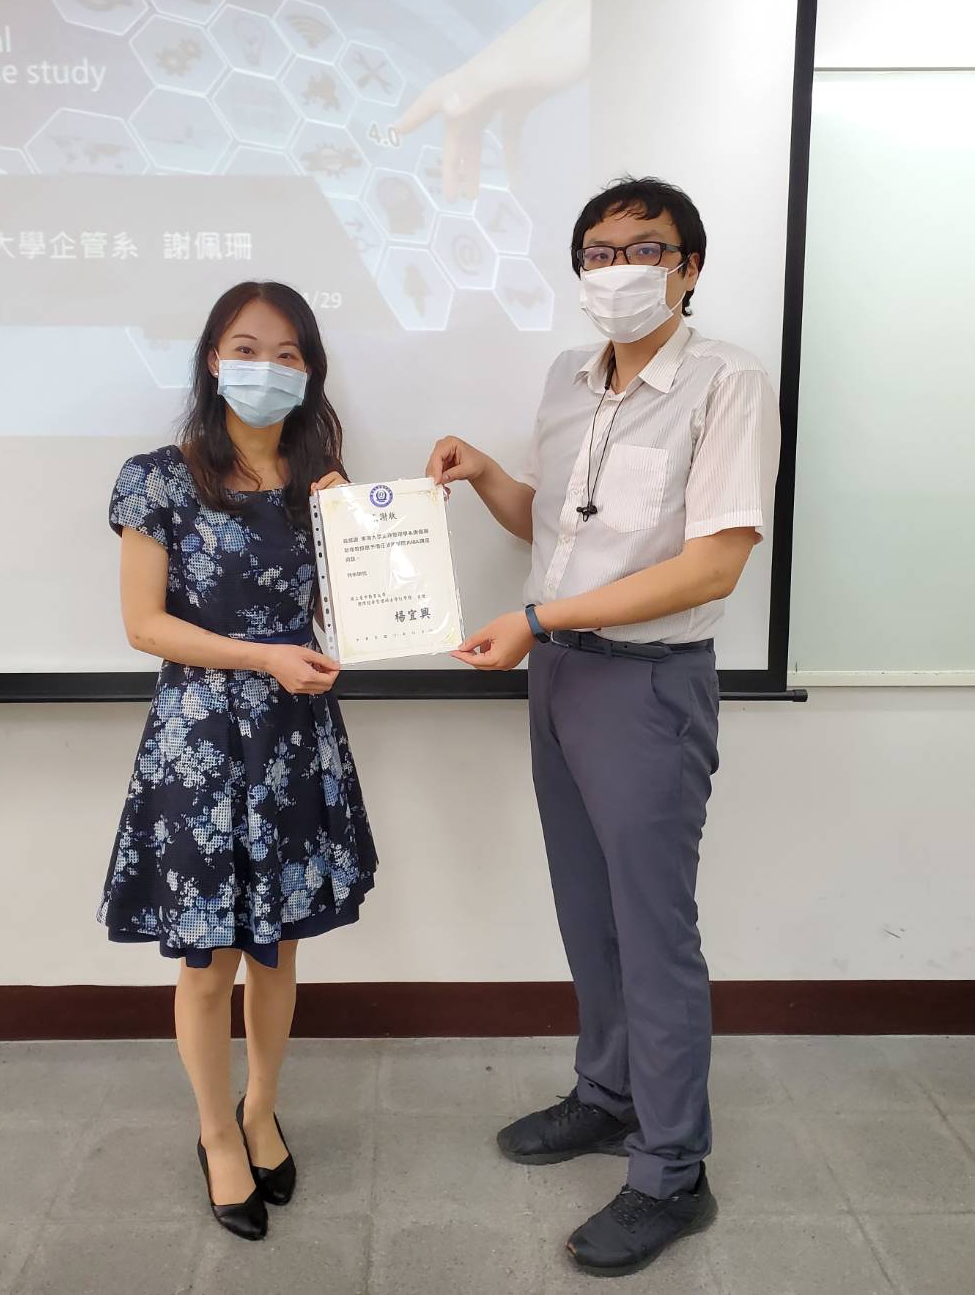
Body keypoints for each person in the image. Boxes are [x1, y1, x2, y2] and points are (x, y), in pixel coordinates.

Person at [426, 177, 780, 1277]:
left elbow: (713, 562)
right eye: (597, 252)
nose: (616, 269)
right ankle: (608, 1092)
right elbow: (560, 527)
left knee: (652, 931)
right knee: (589, 914)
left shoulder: (727, 382)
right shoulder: (568, 380)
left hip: (647, 685)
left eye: (643, 249)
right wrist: (489, 476)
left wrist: (538, 619)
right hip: (561, 679)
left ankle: (671, 1170)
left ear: (688, 267)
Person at [98, 281, 377, 1242]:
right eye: (248, 348)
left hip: (294, 739)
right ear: (214, 359)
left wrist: (363, 530)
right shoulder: (158, 478)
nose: (268, 367)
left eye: (290, 353)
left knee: (279, 948)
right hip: (202, 745)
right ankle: (216, 1131)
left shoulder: (321, 480)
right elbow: (144, 624)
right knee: (209, 958)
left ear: (311, 371)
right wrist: (264, 656)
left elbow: (352, 616)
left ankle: (262, 1108)